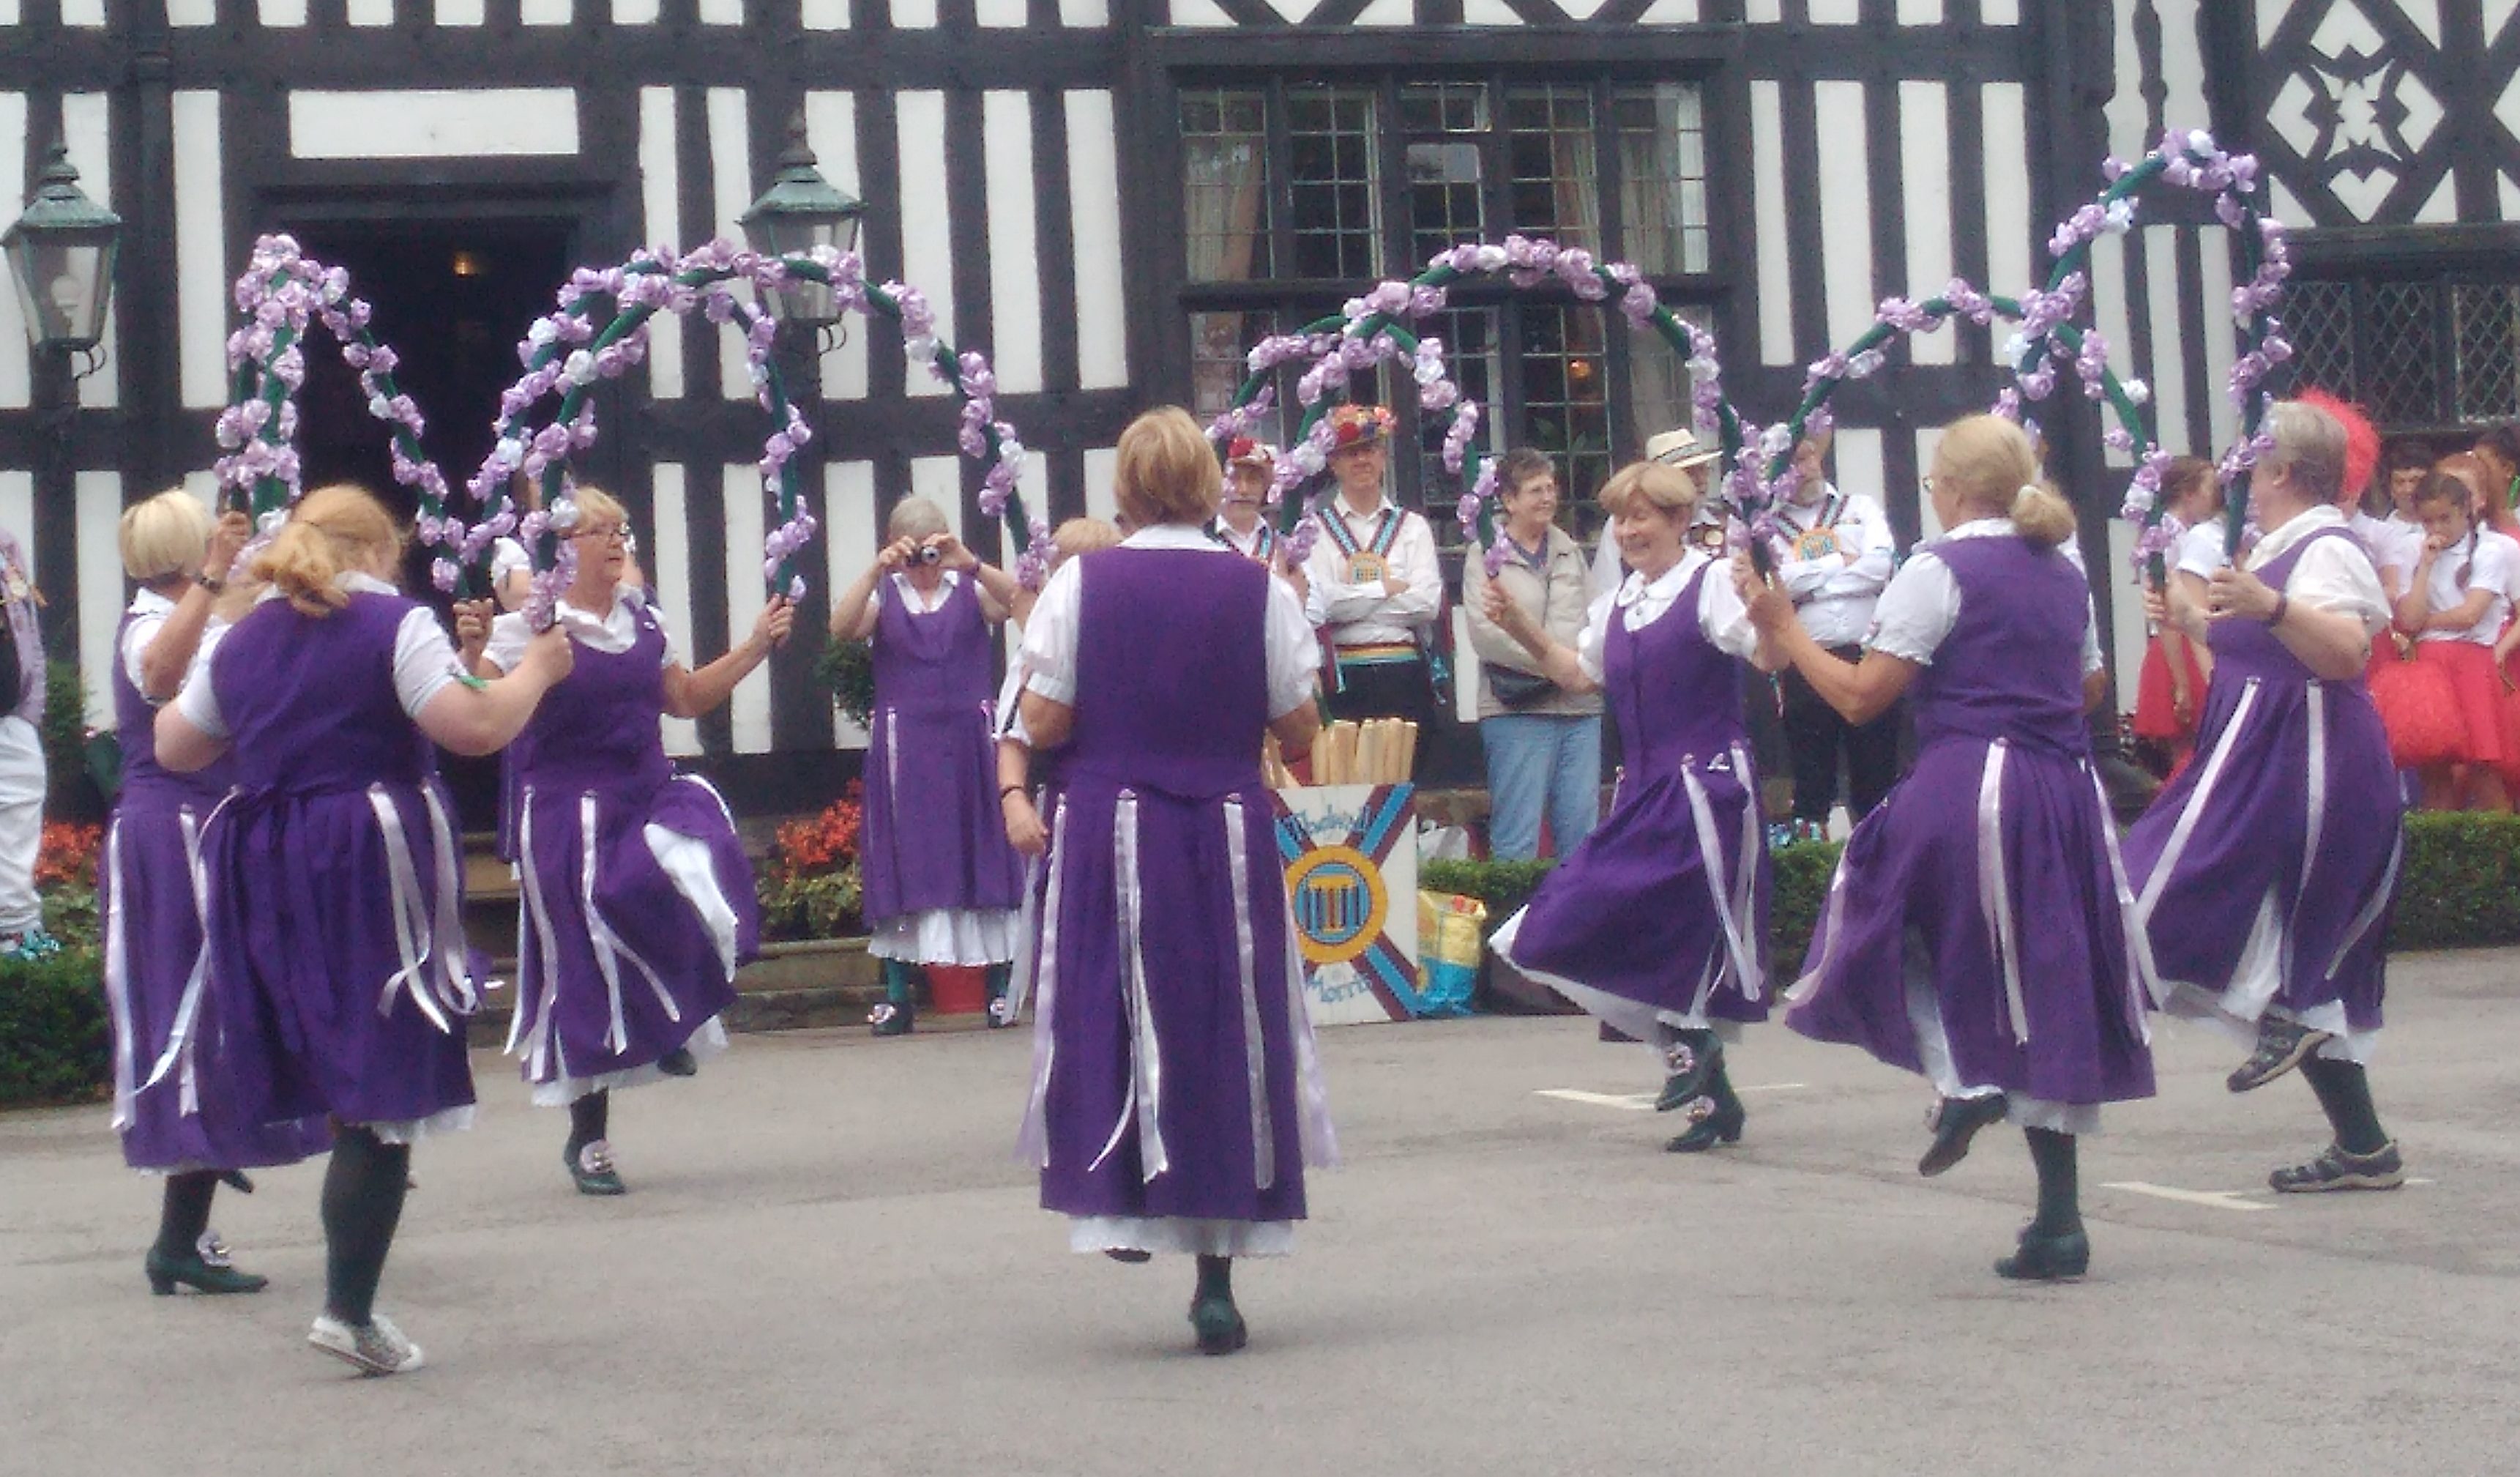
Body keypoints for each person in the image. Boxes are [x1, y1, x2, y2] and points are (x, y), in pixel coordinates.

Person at [154, 484, 573, 1377]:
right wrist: (536, 669)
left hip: (264, 859)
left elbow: (175, 748)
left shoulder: (241, 637)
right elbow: (470, 728)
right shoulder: (393, 624)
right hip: (363, 858)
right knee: (382, 1087)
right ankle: (349, 1309)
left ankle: (347, 1299)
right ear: (379, 552)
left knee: (343, 1072)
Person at [1741, 414, 2155, 1282]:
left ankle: (1964, 1077)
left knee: (1877, 915)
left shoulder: (1937, 567)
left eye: (1934, 477)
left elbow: (1861, 696)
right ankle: (2058, 1220)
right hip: (2063, 787)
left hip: (1975, 780)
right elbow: (2089, 686)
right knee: (2044, 976)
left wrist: (1786, 629)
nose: (1929, 489)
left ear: (1958, 486)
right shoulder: (2064, 566)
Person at [1015, 406, 1330, 1355]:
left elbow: (1045, 718)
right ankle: (1217, 1278)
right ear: (1206, 485)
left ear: (1125, 489)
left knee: (1115, 1017)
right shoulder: (1258, 590)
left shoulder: (1082, 584)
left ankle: (1121, 1200)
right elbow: (1300, 728)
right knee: (1223, 1033)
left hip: (1117, 832)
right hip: (1223, 833)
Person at [475, 488, 789, 1195]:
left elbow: (684, 699)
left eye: (622, 530)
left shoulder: (644, 618)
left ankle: (669, 1016)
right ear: (565, 547)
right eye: (600, 532)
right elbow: (476, 705)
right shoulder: (530, 627)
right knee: (586, 959)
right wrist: (475, 654)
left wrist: (756, 645)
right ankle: (588, 1140)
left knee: (691, 863)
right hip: (565, 812)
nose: (618, 542)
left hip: (645, 790)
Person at [2127, 399, 2406, 1194]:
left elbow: (2348, 652)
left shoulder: (2326, 546)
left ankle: (2009, 1066)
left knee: (2150, 894)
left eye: (2249, 460)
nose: (2236, 474)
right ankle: (2364, 1147)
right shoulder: (2276, 547)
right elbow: (2254, 643)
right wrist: (2186, 615)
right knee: (2287, 962)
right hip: (2263, 760)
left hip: (2311, 768)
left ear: (2281, 471)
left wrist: (2270, 605)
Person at [1483, 455, 1783, 1152]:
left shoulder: (1709, 584)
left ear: (1681, 519)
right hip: (1646, 789)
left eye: (1643, 515)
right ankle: (1712, 1086)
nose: (1628, 530)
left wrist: (1772, 613)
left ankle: (1694, 1053)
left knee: (1660, 925)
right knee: (1556, 921)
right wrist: (1522, 626)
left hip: (1707, 789)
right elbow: (1576, 675)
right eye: (1620, 518)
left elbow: (1769, 659)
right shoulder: (1619, 604)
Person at [105, 490, 329, 1298]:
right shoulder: (148, 626)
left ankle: (244, 1153)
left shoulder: (210, 616)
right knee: (198, 1013)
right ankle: (183, 1231)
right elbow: (164, 675)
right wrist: (214, 581)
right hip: (173, 832)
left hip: (222, 821)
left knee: (246, 997)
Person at [830, 496, 1026, 1034]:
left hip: (968, 741)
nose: (924, 564)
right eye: (915, 553)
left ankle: (1000, 987)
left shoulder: (970, 589)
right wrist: (876, 566)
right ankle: (897, 995)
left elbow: (1019, 602)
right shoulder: (886, 597)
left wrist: (970, 560)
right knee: (905, 857)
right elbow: (841, 626)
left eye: (931, 550)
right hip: (907, 752)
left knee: (981, 846)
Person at [1461, 447, 1603, 862]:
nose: (1547, 498)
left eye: (1551, 488)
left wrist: (1579, 667)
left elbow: (1595, 620)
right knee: (1516, 839)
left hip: (1579, 710)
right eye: (1535, 490)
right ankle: (1514, 926)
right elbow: (1485, 634)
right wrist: (1557, 664)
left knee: (1580, 836)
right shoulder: (1483, 555)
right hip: (1515, 709)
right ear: (1508, 501)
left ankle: (1577, 925)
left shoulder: (1569, 551)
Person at [1767, 429, 1899, 838]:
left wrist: (1808, 584)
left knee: (1876, 777)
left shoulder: (1859, 507)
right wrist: (1839, 563)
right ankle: (1816, 877)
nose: (1803, 470)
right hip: (1808, 663)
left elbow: (1882, 566)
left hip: (1869, 657)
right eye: (1791, 465)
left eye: (1807, 459)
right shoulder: (1767, 526)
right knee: (1812, 784)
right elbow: (1775, 584)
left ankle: (1881, 861)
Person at [1301, 404, 1442, 751]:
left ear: (1383, 457)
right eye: (1350, 453)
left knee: (1404, 783)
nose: (1361, 461)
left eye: (1369, 450)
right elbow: (1323, 604)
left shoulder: (1413, 527)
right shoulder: (1313, 531)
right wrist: (1385, 589)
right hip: (1343, 676)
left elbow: (1426, 605)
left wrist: (1352, 600)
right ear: (1333, 463)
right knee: (1347, 788)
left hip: (1404, 673)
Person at [2391, 470, 2518, 811]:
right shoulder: (2410, 549)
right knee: (2433, 770)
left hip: (2471, 661)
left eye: (2445, 518)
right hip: (2429, 668)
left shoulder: (2493, 548)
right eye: (2428, 521)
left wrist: (2424, 623)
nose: (2437, 529)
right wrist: (2426, 566)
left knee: (2482, 767)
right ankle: (2436, 855)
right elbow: (2408, 618)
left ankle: (2499, 858)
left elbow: (2470, 614)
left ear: (2466, 510)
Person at [2130, 458, 2223, 775]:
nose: (2216, 496)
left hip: (2187, 640)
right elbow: (2166, 607)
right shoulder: (2166, 535)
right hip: (2178, 648)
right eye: (2210, 488)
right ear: (2188, 493)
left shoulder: (2186, 532)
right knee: (2189, 746)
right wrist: (2181, 680)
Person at [0, 518, 50, 959]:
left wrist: (30, 712)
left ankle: (19, 938)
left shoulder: (4, 542)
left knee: (18, 827)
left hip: (11, 718)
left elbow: (26, 629)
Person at [1213, 439, 1308, 601]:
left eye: (1253, 480)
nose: (1243, 490)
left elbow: (1315, 610)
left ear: (1266, 487)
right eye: (1234, 478)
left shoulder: (1285, 546)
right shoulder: (1204, 541)